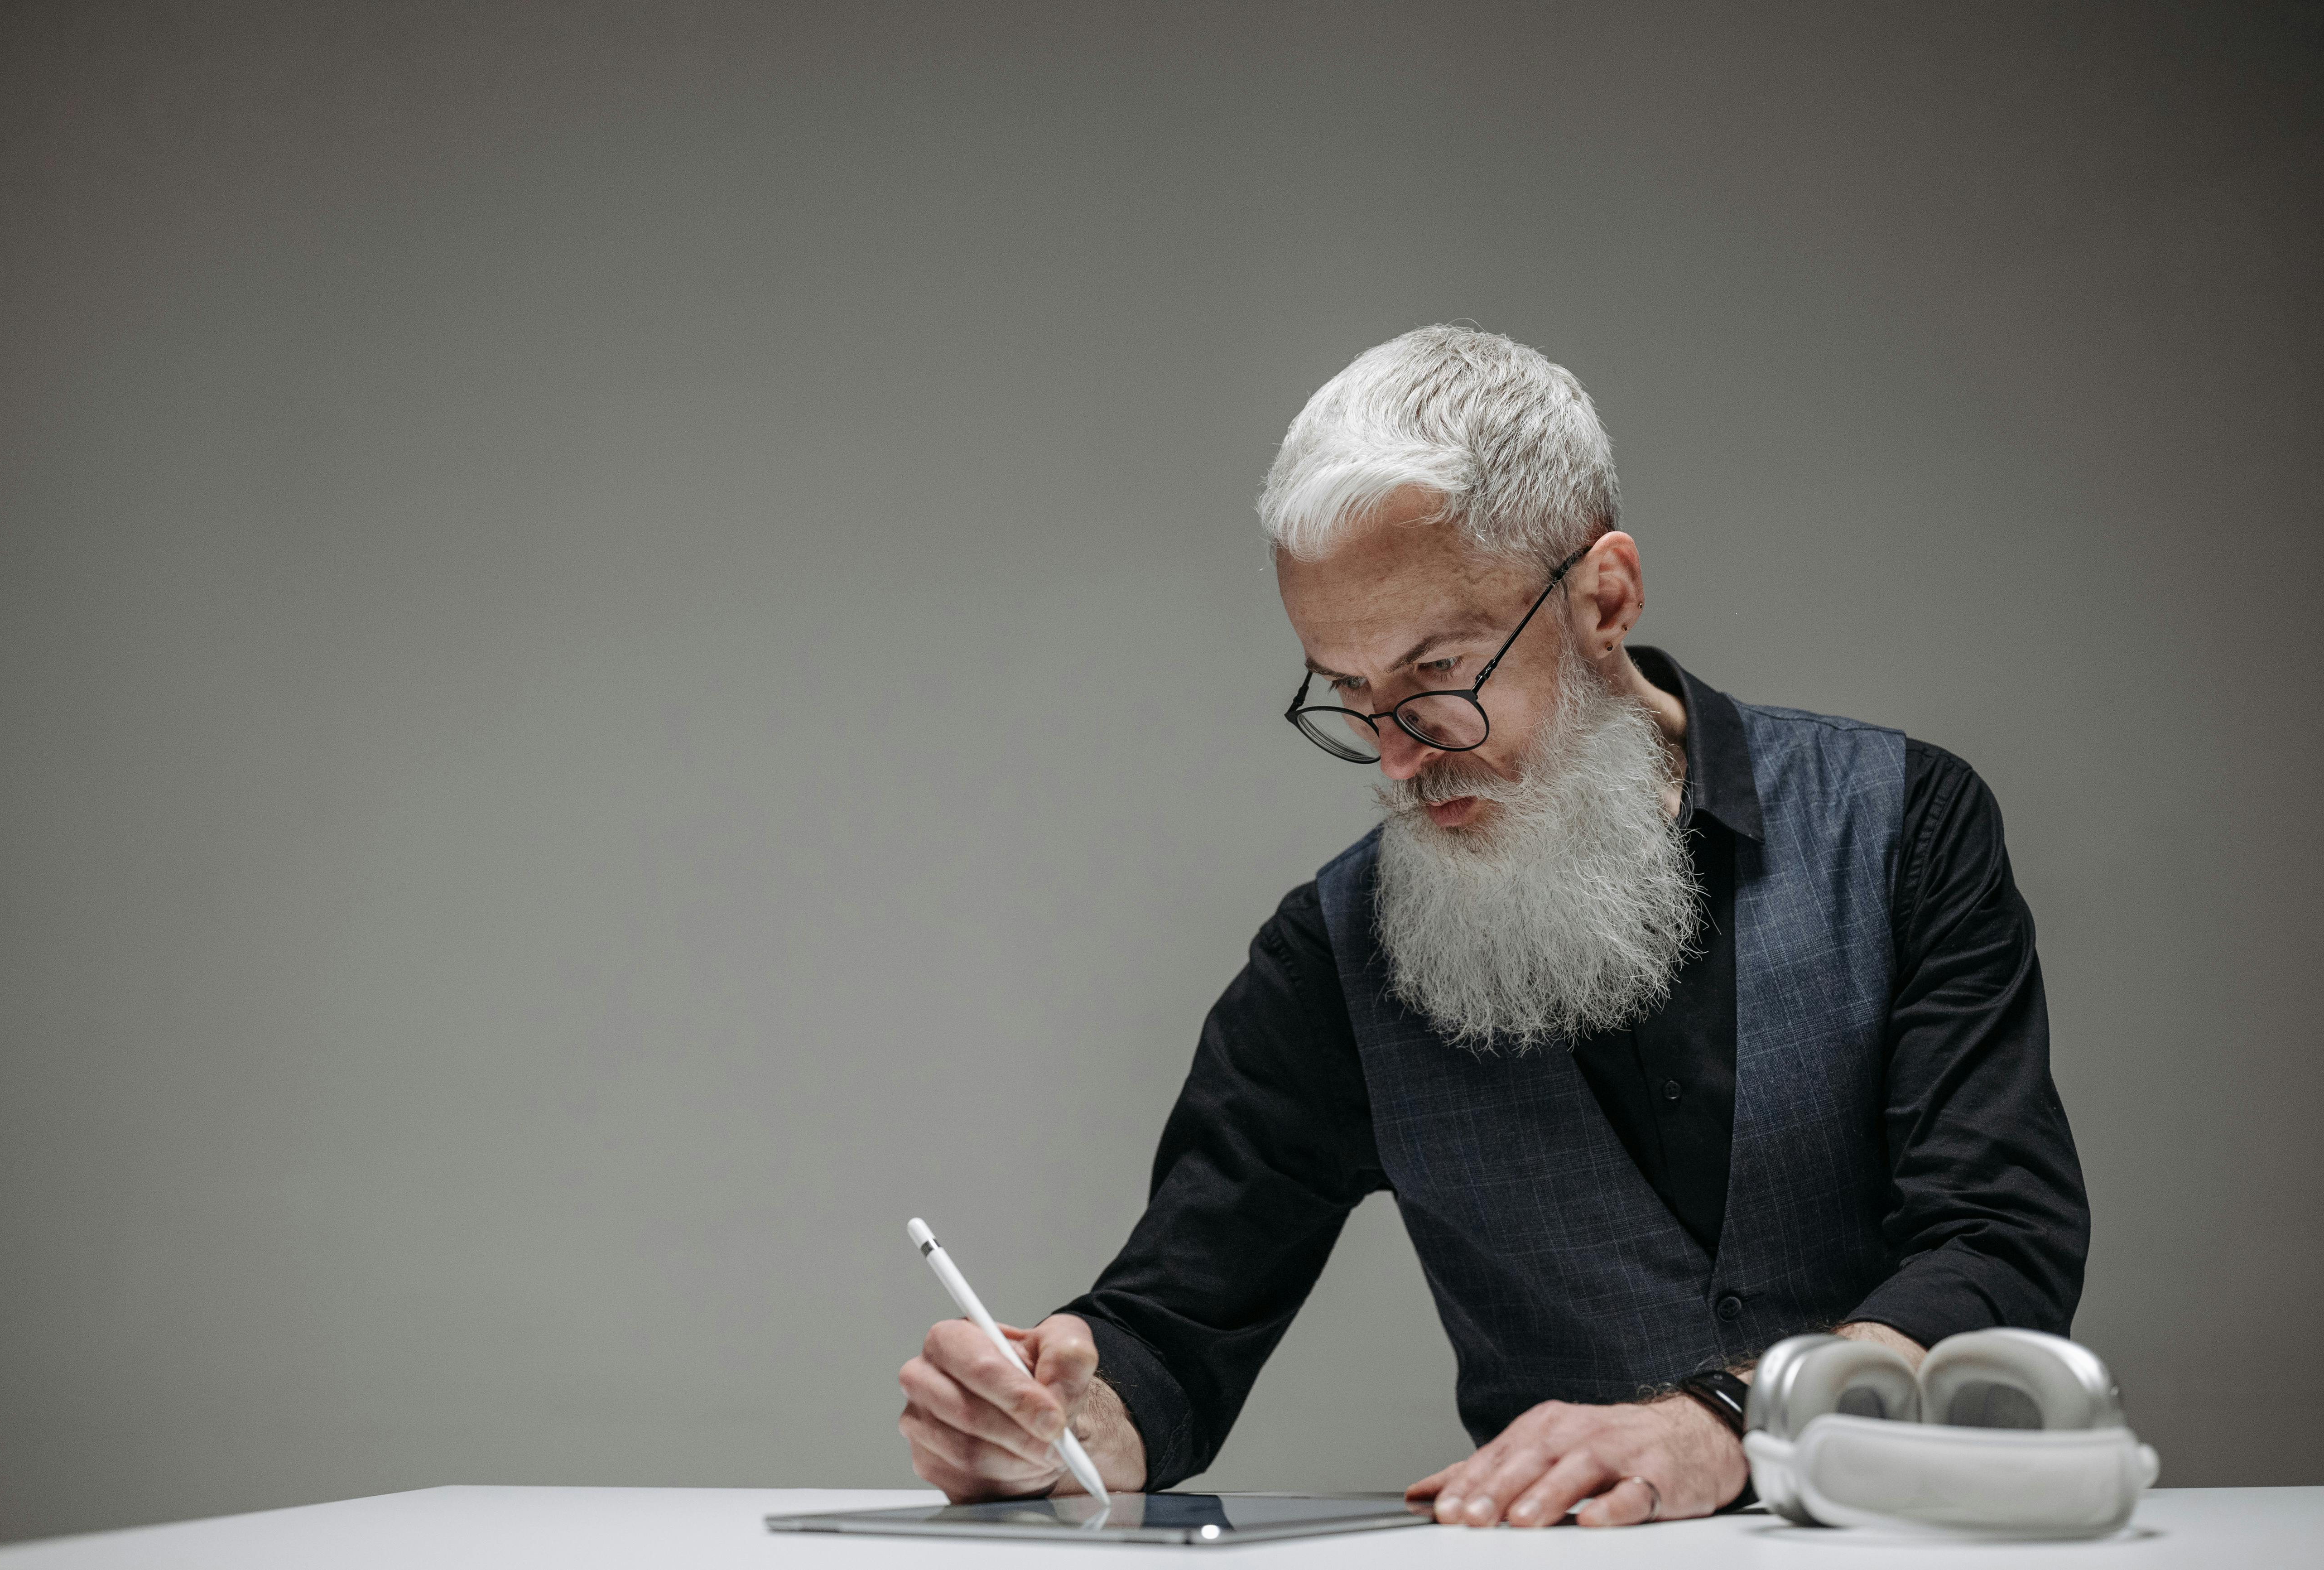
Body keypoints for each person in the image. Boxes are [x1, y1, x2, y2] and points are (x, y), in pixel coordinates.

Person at [895, 325, 2089, 1528]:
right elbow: (1174, 1327)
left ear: (1604, 597)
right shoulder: (1336, 948)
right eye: (1352, 696)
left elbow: (2000, 1241)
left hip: (1921, 1546)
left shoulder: (1899, 824)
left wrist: (1731, 1419)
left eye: (1440, 673)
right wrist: (1059, 1424)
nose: (1400, 755)